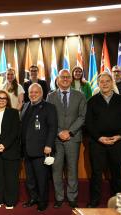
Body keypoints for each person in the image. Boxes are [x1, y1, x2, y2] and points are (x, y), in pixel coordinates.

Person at [86, 72, 121, 208]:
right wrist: (99, 138)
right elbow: (88, 123)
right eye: (102, 82)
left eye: (107, 81)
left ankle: (119, 203)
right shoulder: (92, 101)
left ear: (112, 83)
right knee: (96, 174)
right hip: (97, 143)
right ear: (98, 84)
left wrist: (119, 136)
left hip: (117, 143)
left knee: (117, 174)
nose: (104, 84)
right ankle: (94, 201)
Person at [46, 69, 87, 209]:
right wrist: (58, 132)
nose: (65, 79)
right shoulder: (50, 96)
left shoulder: (80, 95)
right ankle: (59, 198)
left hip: (73, 138)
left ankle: (72, 197)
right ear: (57, 79)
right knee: (56, 169)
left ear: (71, 79)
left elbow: (82, 116)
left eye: (67, 77)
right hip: (56, 139)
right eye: (62, 77)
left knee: (72, 169)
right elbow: (49, 118)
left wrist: (69, 132)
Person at [21, 83, 58, 212]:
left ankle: (43, 201)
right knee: (30, 178)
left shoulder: (49, 107)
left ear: (41, 93)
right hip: (26, 149)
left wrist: (49, 145)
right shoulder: (26, 106)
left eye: (36, 92)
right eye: (31, 92)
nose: (33, 94)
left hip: (41, 149)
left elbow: (53, 128)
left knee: (41, 178)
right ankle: (33, 198)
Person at [0, 90, 21, 209]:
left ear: (7, 100)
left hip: (10, 151)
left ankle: (10, 201)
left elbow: (15, 131)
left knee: (11, 178)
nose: (1, 100)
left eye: (4, 98)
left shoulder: (14, 113)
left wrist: (4, 145)